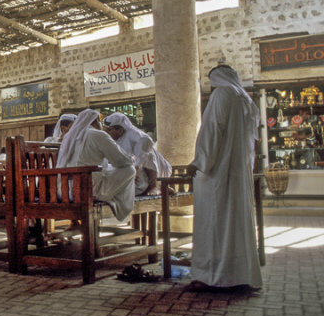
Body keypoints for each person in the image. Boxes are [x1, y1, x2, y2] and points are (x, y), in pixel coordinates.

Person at [187, 65, 262, 291]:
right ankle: (239, 276)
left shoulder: (222, 93)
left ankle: (213, 277)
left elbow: (212, 130)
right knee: (237, 224)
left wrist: (199, 163)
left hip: (218, 175)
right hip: (238, 174)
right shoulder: (245, 99)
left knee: (215, 224)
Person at [56, 108, 136, 221]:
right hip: (87, 190)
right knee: (130, 170)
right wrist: (132, 158)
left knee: (107, 169)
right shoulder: (98, 135)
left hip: (64, 190)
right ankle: (120, 203)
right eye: (100, 122)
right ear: (95, 121)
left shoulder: (69, 137)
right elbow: (121, 161)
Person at [103, 112, 171, 196]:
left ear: (120, 130)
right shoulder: (113, 139)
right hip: (134, 172)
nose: (107, 132)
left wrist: (136, 167)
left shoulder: (134, 134)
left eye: (109, 129)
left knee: (146, 154)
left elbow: (146, 143)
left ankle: (155, 185)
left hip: (152, 167)